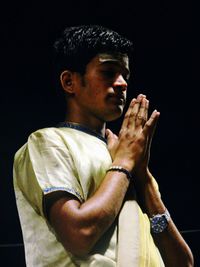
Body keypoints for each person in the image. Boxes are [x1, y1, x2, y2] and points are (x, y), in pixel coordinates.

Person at [13, 25, 194, 267]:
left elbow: (183, 263)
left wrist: (144, 179)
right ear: (69, 82)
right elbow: (79, 234)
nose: (121, 84)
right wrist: (124, 163)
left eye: (125, 76)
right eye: (108, 72)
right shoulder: (48, 141)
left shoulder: (127, 153)